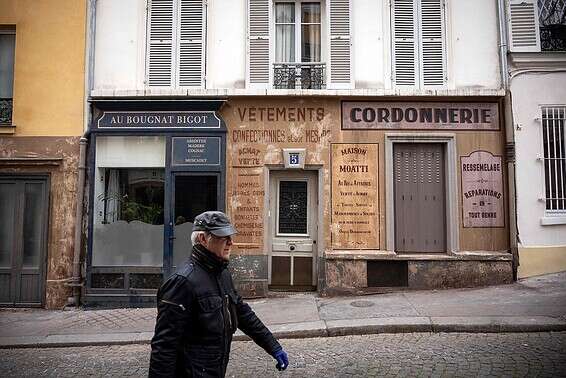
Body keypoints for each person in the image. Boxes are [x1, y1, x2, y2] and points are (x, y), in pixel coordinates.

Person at [149, 211, 289, 377]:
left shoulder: (222, 273)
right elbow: (164, 346)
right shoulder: (182, 282)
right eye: (223, 236)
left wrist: (273, 346)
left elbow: (242, 312)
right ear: (203, 239)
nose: (231, 242)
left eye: (230, 236)